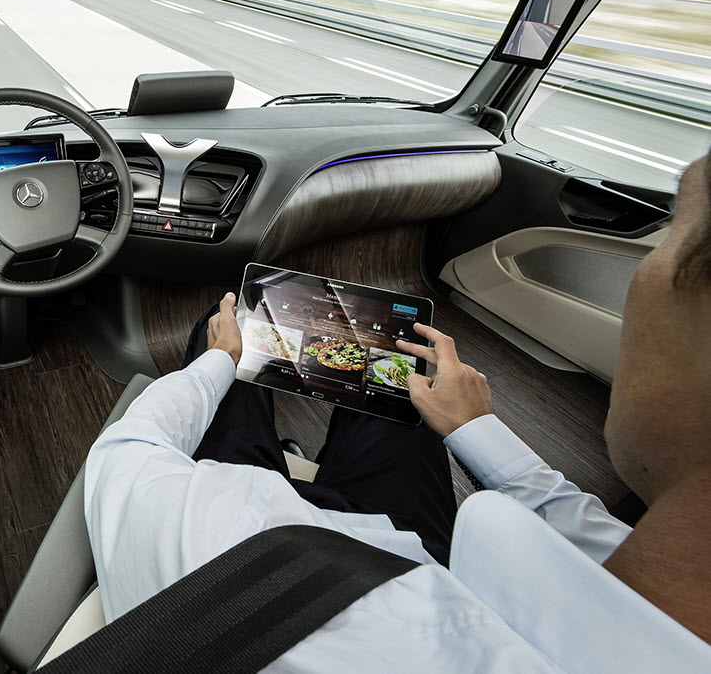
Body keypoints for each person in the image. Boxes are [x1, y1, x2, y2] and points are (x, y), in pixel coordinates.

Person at [83, 153, 711, 671]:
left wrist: (219, 360)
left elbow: (125, 456)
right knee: (399, 381)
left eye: (674, 227)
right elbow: (591, 536)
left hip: (292, 564)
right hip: (422, 555)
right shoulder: (659, 574)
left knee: (222, 332)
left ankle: (265, 438)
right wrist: (475, 429)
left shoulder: (225, 541)